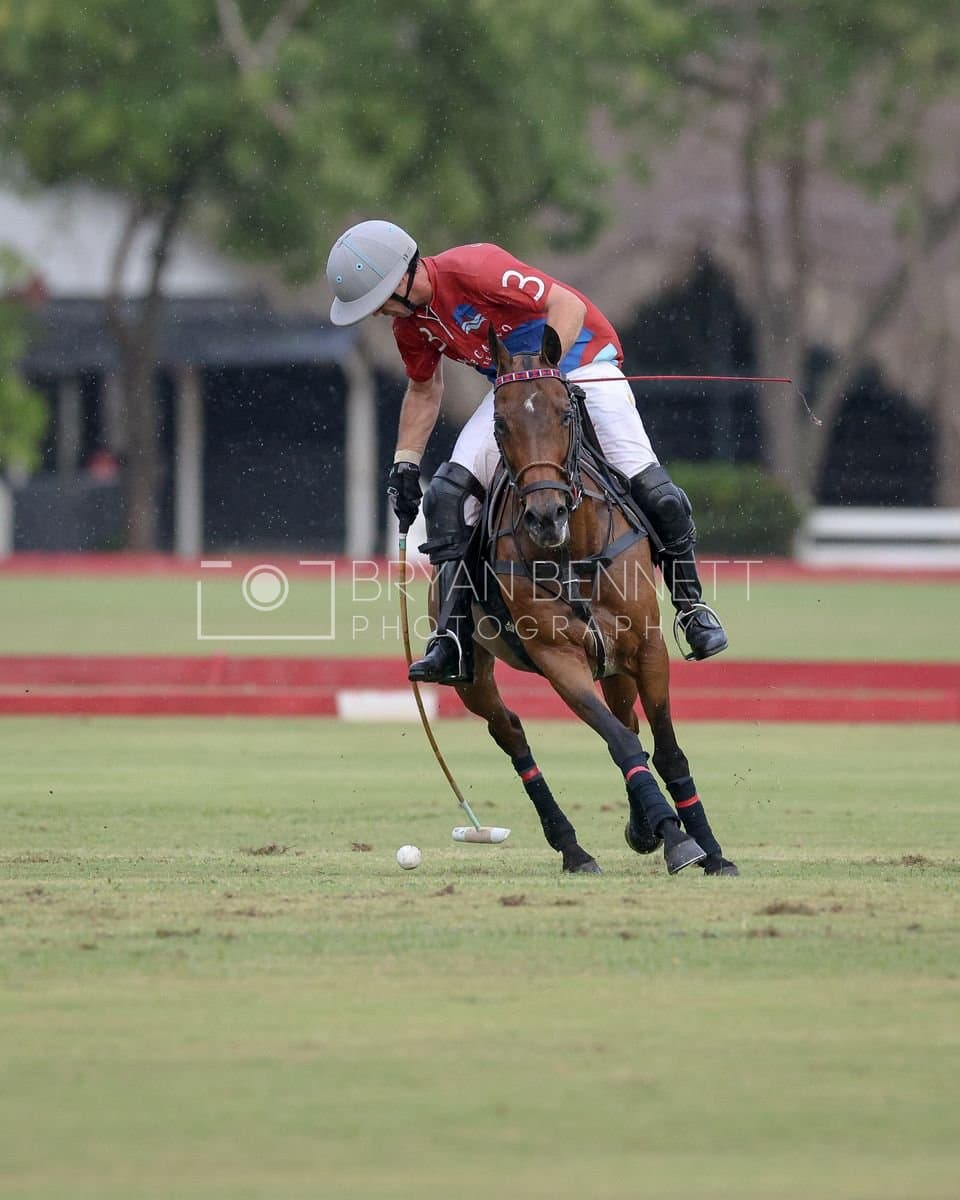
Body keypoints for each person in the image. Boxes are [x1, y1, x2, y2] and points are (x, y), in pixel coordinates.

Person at [327, 219, 727, 683]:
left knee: (656, 491)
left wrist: (544, 369)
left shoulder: (475, 267)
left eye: (377, 302)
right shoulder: (411, 325)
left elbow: (566, 303)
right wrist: (405, 461)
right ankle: (452, 638)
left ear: (398, 278)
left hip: (580, 364)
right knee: (445, 496)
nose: (377, 313)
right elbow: (423, 389)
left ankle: (691, 607)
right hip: (513, 394)